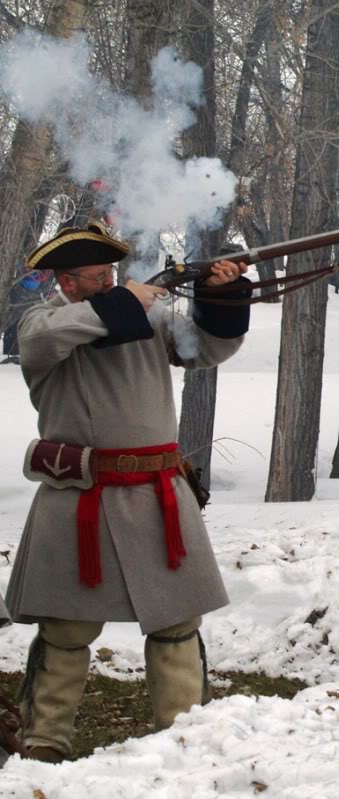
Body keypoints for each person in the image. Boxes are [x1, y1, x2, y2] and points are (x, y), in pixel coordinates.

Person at [5, 221, 250, 763]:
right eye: (96, 277)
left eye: (111, 274)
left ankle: (183, 737)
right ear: (66, 283)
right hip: (80, 493)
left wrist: (222, 293)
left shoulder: (147, 315)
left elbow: (205, 349)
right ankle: (45, 743)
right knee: (66, 629)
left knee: (177, 625)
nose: (109, 283)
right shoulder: (41, 322)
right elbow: (76, 329)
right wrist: (130, 298)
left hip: (155, 491)